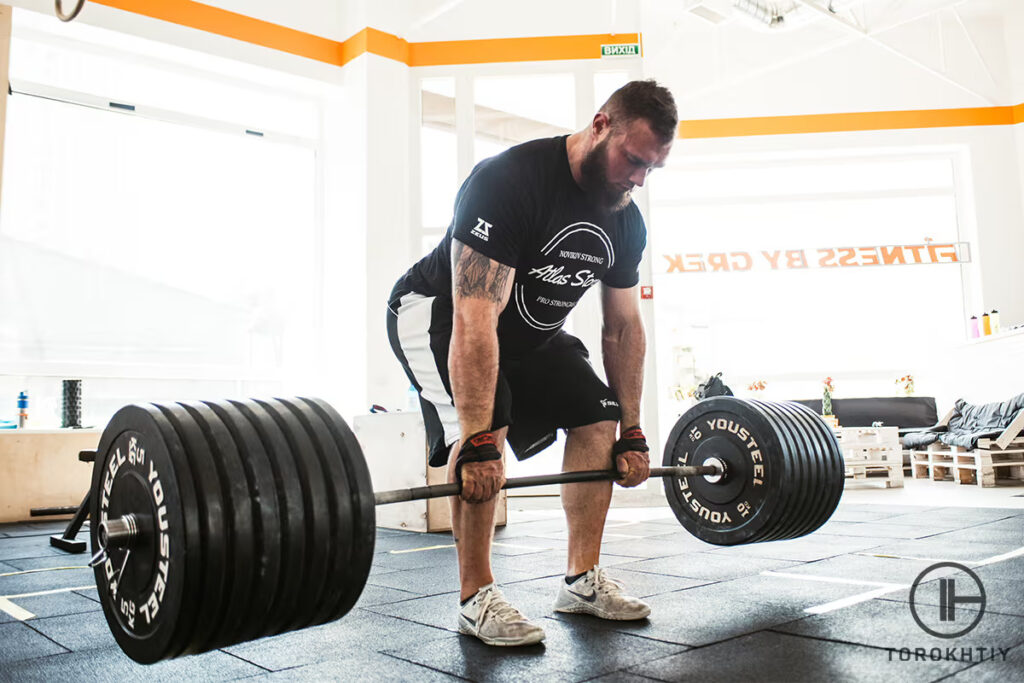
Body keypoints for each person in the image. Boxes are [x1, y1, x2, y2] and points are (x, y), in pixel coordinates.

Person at [386, 79, 677, 647]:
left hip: (528, 334)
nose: (638, 179)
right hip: (438, 312)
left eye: (652, 170)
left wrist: (635, 427)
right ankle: (475, 597)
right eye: (632, 160)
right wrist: (475, 441)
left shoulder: (624, 220)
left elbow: (621, 327)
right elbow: (474, 317)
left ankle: (581, 580)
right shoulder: (509, 181)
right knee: (484, 429)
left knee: (599, 415)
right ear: (600, 125)